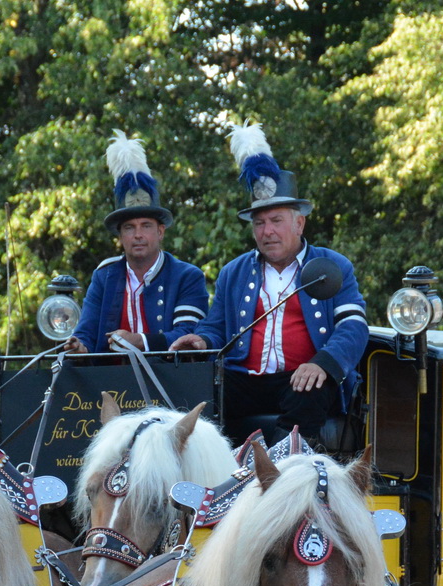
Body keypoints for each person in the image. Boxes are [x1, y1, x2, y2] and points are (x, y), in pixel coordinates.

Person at [171, 123, 369, 447]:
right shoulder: (233, 272)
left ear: (299, 223)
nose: (267, 231)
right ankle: (210, 474)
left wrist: (323, 362)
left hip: (301, 380)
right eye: (259, 223)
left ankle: (281, 472)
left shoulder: (332, 266)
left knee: (311, 387)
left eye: (276, 221)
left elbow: (354, 325)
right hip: (246, 382)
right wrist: (202, 339)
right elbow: (217, 327)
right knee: (200, 393)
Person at [65, 132, 208, 355]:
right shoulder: (104, 276)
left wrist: (139, 341)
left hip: (169, 383)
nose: (138, 234)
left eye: (146, 226)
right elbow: (87, 332)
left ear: (161, 231)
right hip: (109, 384)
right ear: (120, 236)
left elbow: (188, 334)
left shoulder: (187, 276)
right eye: (129, 228)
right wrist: (79, 347)